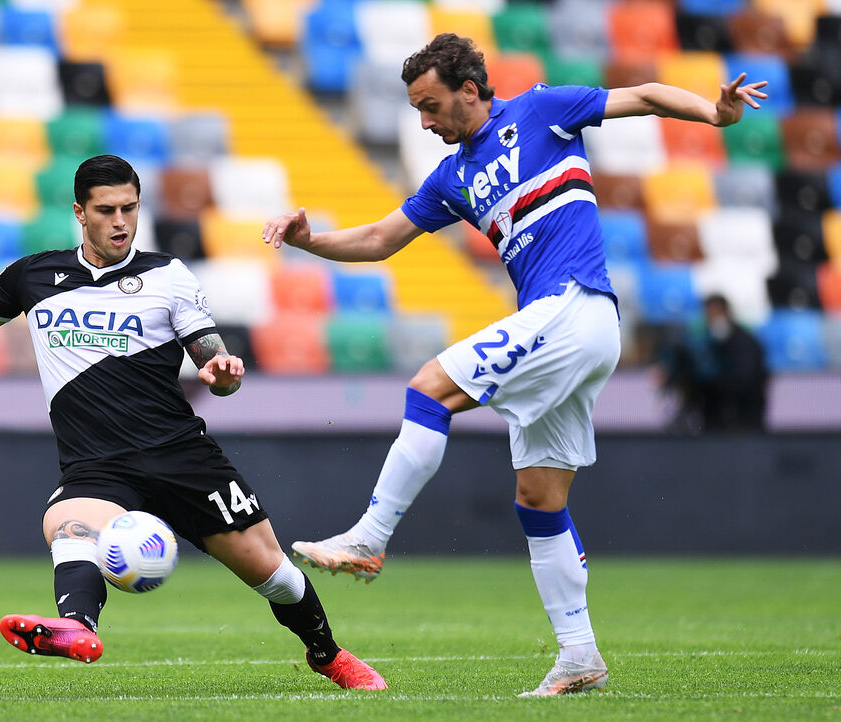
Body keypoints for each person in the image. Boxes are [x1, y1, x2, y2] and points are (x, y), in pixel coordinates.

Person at [262, 33, 768, 696]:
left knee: (428, 390)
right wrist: (309, 241)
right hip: (566, 329)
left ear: (470, 90)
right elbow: (381, 239)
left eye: (432, 105)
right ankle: (579, 656)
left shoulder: (540, 110)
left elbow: (642, 94)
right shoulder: (453, 177)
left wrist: (714, 113)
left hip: (574, 307)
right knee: (538, 499)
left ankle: (369, 534)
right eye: (416, 109)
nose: (424, 121)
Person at [0, 154, 386, 690]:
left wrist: (223, 373)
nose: (120, 221)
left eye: (129, 208)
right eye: (106, 210)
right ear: (80, 212)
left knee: (274, 573)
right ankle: (77, 628)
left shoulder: (167, 275)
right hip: (98, 462)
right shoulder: (33, 277)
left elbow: (212, 356)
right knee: (67, 525)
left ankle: (328, 654)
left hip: (182, 455)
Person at [663, 294, 768, 431]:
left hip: (745, 421)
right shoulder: (707, 343)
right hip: (714, 422)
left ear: (727, 313)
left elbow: (745, 380)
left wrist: (713, 379)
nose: (712, 319)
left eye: (716, 314)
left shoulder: (746, 343)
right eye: (709, 315)